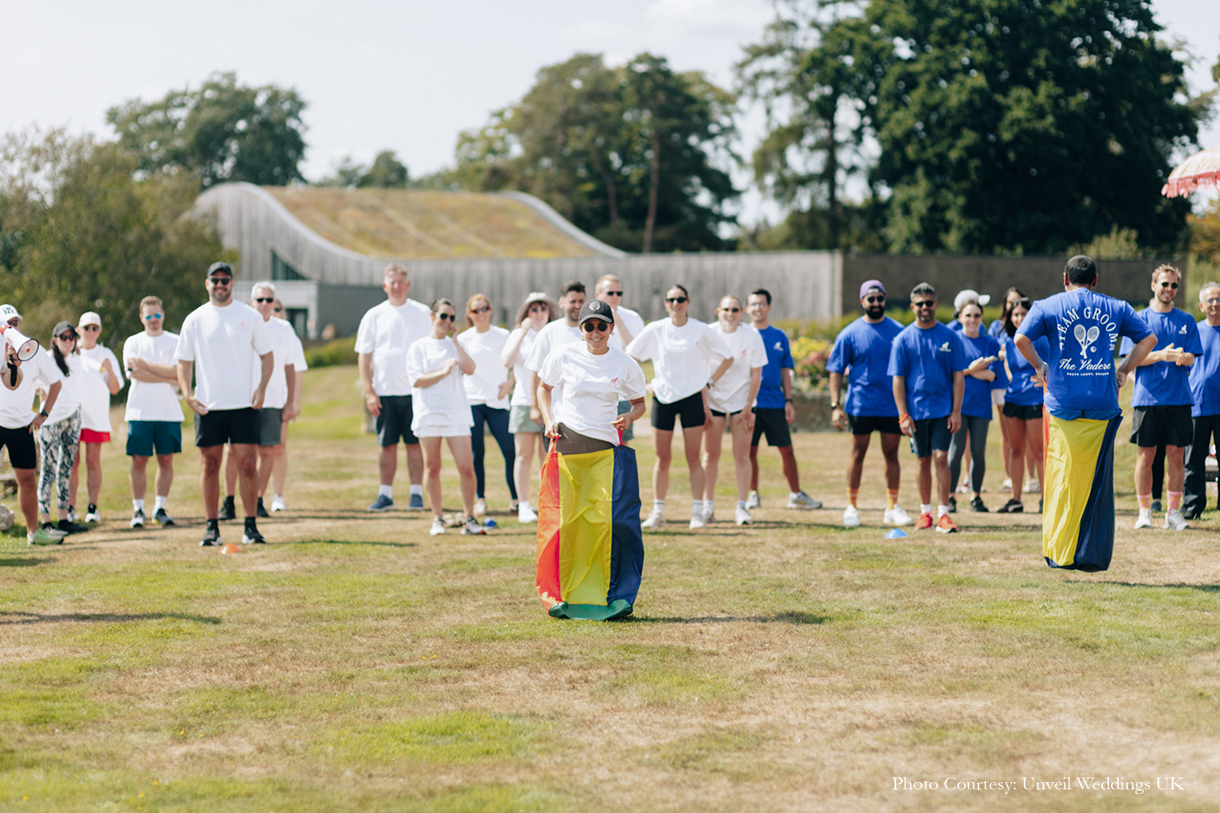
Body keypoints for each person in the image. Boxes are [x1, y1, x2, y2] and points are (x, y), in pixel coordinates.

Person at [1014, 255, 1156, 571]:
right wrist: (1124, 369)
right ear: (1095, 280)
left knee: (1062, 475)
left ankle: (1061, 552)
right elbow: (1149, 339)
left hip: (1061, 403)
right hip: (1102, 404)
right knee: (1097, 481)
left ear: (1065, 278)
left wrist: (1039, 366)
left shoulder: (1047, 306)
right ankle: (1091, 554)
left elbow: (1020, 338)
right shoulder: (1117, 307)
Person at [535, 298, 647, 620]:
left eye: (601, 326)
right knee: (563, 523)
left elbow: (639, 403)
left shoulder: (625, 364)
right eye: (589, 326)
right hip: (567, 447)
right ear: (580, 329)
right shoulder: (563, 355)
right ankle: (559, 595)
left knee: (611, 523)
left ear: (611, 328)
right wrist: (548, 419)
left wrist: (629, 418)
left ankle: (616, 595)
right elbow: (544, 388)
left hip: (605, 452)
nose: (595, 332)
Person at [176, 262, 274, 547]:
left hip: (244, 404)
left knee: (247, 464)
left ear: (232, 283)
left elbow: (267, 356)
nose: (220, 284)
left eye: (225, 280)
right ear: (207, 283)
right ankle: (211, 529)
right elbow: (184, 362)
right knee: (210, 465)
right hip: (208, 405)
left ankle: (250, 527)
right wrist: (187, 394)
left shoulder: (249, 316)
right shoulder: (195, 319)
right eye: (215, 280)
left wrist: (261, 389)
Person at [627, 284, 734, 530]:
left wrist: (708, 383)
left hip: (692, 399)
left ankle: (697, 512)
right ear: (666, 303)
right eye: (671, 300)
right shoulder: (655, 329)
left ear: (688, 302)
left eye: (680, 299)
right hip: (662, 398)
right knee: (662, 458)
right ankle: (658, 512)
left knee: (693, 458)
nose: (676, 304)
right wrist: (645, 384)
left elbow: (728, 357)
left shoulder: (701, 330)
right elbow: (630, 355)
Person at [1119, 264, 1201, 530]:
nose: (1169, 289)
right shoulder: (1138, 318)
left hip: (1179, 398)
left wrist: (1184, 358)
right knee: (1146, 456)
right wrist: (1160, 355)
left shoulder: (1187, 320)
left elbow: (1193, 357)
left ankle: (1173, 513)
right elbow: (1129, 359)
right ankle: (1144, 511)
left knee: (1177, 457)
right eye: (1164, 284)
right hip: (1147, 399)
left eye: (1174, 285)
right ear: (1153, 285)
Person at [827, 280, 909, 528]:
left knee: (892, 454)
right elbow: (836, 370)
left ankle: (892, 507)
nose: (875, 303)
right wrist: (835, 405)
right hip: (861, 405)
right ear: (862, 301)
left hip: (891, 405)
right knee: (857, 453)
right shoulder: (849, 333)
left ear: (885, 300)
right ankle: (851, 507)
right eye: (870, 299)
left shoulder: (899, 331)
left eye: (879, 298)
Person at [888, 283, 967, 533]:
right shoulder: (902, 340)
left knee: (941, 458)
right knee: (923, 461)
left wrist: (956, 411)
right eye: (920, 303)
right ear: (913, 307)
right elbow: (898, 380)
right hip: (916, 413)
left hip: (943, 411)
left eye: (929, 303)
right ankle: (925, 513)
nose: (925, 307)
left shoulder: (950, 337)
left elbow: (958, 376)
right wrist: (903, 414)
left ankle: (944, 514)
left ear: (936, 305)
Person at [221, 283, 304, 519]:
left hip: (273, 400)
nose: (265, 304)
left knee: (267, 451)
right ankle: (229, 501)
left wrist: (290, 401)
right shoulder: (240, 324)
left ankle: (258, 500)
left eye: (269, 300)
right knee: (233, 452)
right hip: (242, 400)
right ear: (252, 302)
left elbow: (290, 366)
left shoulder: (284, 329)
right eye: (260, 300)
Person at [356, 263, 432, 512]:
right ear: (384, 285)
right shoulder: (374, 315)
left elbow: (432, 348)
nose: (397, 286)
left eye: (401, 282)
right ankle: (385, 495)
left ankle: (416, 494)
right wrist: (369, 391)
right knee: (386, 445)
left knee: (414, 444)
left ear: (407, 284)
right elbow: (364, 356)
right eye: (392, 282)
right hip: (384, 392)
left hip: (416, 392)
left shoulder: (423, 313)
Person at [405, 298, 484, 536]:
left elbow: (470, 369)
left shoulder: (455, 345)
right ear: (432, 316)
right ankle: (438, 519)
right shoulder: (418, 347)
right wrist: (444, 371)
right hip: (429, 414)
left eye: (451, 317)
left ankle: (469, 518)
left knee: (466, 467)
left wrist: (456, 342)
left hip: (456, 414)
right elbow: (417, 380)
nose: (447, 321)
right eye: (443, 316)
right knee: (433, 467)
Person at [744, 288, 823, 512]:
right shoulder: (743, 335)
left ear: (769, 307)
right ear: (747, 308)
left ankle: (796, 495)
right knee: (749, 452)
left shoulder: (778, 336)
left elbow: (785, 371)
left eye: (761, 304)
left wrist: (789, 400)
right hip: (749, 405)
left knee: (787, 450)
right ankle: (752, 494)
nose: (757, 308)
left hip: (775, 403)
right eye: (753, 304)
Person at [0, 320, 70, 545]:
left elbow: (54, 384)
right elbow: (9, 382)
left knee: (28, 480)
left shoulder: (33, 349)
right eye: (6, 324)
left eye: (14, 322)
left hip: (23, 425)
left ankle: (33, 533)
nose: (11, 327)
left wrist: (43, 414)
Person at [702, 295, 767, 526]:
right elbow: (700, 370)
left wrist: (748, 406)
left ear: (741, 312)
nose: (730, 314)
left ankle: (741, 507)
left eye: (735, 310)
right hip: (713, 402)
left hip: (742, 403)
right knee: (710, 455)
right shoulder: (708, 332)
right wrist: (705, 405)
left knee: (742, 455)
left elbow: (757, 374)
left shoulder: (752, 335)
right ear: (718, 311)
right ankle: (707, 506)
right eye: (726, 309)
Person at [123, 296, 183, 528]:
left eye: (157, 315)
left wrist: (147, 365)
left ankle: (160, 507)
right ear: (142, 317)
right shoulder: (133, 342)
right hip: (140, 412)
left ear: (163, 315)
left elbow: (179, 373)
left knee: (166, 460)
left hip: (169, 412)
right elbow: (134, 373)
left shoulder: (175, 341)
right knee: (139, 461)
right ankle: (138, 509)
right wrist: (167, 375)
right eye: (149, 316)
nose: (154, 319)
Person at [458, 293, 515, 517]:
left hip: (498, 400)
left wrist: (509, 383)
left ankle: (516, 499)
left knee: (510, 450)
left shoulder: (503, 335)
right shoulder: (463, 339)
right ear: (469, 314)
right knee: (476, 453)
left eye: (484, 309)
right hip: (472, 400)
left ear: (490, 311)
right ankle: (480, 498)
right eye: (476, 310)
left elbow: (516, 363)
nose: (481, 314)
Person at [501, 292, 557, 523]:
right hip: (523, 401)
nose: (539, 313)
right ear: (526, 312)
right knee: (523, 455)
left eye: (543, 308)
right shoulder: (518, 334)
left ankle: (547, 504)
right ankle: (523, 504)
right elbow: (506, 361)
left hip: (550, 402)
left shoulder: (554, 332)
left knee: (548, 456)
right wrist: (522, 331)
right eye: (534, 309)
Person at [948, 300, 1003, 513]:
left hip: (980, 405)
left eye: (977, 316)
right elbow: (949, 374)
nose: (972, 320)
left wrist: (966, 371)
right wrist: (974, 368)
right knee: (956, 451)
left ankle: (975, 496)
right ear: (960, 317)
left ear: (982, 318)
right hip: (958, 405)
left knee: (978, 451)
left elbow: (992, 375)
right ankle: (950, 496)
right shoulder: (953, 340)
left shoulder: (990, 343)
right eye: (968, 315)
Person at [70, 311, 124, 522]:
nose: (90, 331)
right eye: (86, 328)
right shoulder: (70, 351)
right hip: (72, 415)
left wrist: (110, 370)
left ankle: (92, 508)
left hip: (96, 417)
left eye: (95, 328)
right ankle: (70, 507)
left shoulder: (106, 353)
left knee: (93, 461)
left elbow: (115, 389)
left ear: (100, 331)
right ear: (78, 330)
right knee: (72, 462)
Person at [34, 322, 87, 535]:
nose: (68, 341)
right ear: (55, 339)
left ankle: (64, 518)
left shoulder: (77, 360)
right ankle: (46, 521)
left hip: (73, 418)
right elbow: (34, 383)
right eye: (63, 337)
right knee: (48, 470)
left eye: (71, 337)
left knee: (66, 469)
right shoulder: (45, 359)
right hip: (51, 421)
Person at [996, 298, 1048, 514]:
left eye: (1023, 314)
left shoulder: (1041, 340)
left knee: (1039, 452)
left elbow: (1053, 364)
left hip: (1035, 401)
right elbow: (1010, 368)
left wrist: (1046, 381)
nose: (1019, 318)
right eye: (1015, 315)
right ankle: (1015, 499)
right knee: (1016, 451)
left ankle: (1046, 499)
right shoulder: (1009, 342)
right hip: (1013, 400)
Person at [595, 274, 645, 442]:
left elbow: (636, 354)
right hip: (595, 391)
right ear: (598, 295)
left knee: (622, 444)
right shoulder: (590, 318)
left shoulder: (632, 317)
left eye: (619, 293)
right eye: (610, 293)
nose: (615, 297)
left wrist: (618, 321)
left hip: (622, 392)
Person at [1184, 281, 1220, 518]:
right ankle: (1192, 506)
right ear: (1201, 305)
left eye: (1218, 299)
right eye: (1210, 300)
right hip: (1198, 404)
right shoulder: (1193, 331)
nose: (1215, 304)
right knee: (1193, 459)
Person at [268, 299, 305, 511]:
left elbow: (297, 369)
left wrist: (294, 402)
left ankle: (278, 495)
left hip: (281, 399)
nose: (272, 311)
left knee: (279, 446)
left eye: (277, 309)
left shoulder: (287, 333)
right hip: (259, 401)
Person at [990, 288, 1025, 493]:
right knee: (1007, 433)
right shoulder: (997, 327)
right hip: (1002, 384)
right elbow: (992, 350)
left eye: (1018, 301)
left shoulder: (1029, 324)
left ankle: (1031, 477)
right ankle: (1008, 476)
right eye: (1011, 302)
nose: (1014, 306)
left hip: (1024, 386)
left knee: (1029, 435)